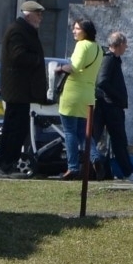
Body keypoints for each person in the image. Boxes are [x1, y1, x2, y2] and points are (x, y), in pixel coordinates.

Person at [0, 0, 46, 178]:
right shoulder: (18, 30)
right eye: (38, 14)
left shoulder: (26, 30)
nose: (40, 17)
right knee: (14, 130)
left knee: (17, 129)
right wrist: (37, 59)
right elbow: (18, 56)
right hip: (17, 91)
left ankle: (6, 165)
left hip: (22, 92)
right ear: (28, 14)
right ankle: (5, 166)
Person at [53, 18, 101, 178]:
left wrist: (58, 68)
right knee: (83, 132)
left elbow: (74, 67)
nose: (74, 31)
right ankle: (95, 157)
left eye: (77, 29)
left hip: (73, 93)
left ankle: (72, 167)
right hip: (88, 94)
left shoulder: (82, 45)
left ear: (85, 31)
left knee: (69, 131)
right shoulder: (98, 48)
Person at [94, 32, 133, 182]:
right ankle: (128, 172)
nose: (126, 47)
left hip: (112, 105)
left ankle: (113, 171)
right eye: (125, 44)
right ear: (119, 45)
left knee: (115, 141)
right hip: (110, 106)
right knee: (119, 140)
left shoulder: (115, 60)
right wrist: (117, 96)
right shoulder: (109, 60)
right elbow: (102, 81)